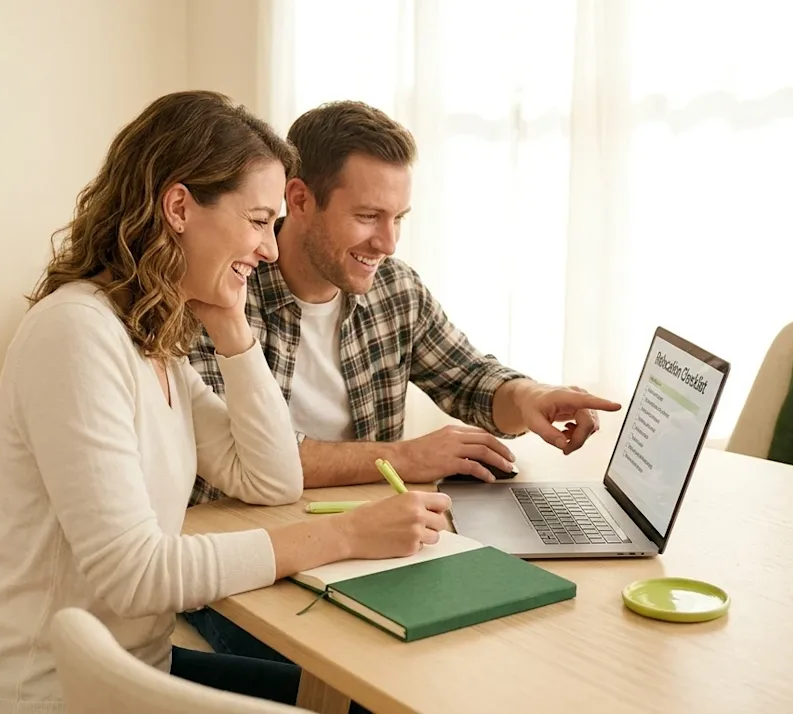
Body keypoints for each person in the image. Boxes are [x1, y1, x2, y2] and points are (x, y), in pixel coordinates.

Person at [0, 91, 448, 713]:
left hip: (132, 670)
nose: (270, 248)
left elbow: (271, 478)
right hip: (58, 694)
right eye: (258, 220)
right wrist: (346, 535)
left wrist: (234, 331)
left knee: (358, 702)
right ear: (180, 207)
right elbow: (137, 574)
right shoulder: (76, 334)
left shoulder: (149, 341)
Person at [184, 100, 622, 659]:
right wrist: (404, 458)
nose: (388, 243)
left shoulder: (393, 288)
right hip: (245, 564)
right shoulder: (223, 287)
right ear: (298, 199)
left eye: (399, 219)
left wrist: (530, 396)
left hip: (367, 551)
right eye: (368, 216)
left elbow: (470, 379)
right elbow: (234, 460)